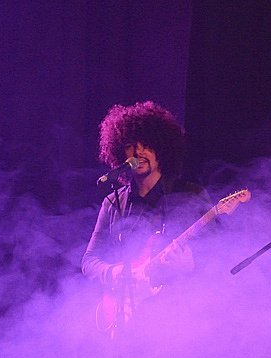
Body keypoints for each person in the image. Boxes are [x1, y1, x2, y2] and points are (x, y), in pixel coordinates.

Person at [82, 101, 211, 340]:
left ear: (162, 149)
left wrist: (191, 266)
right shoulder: (113, 203)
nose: (138, 152)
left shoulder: (190, 196)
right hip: (124, 323)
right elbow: (89, 261)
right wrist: (114, 273)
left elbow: (222, 257)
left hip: (177, 324)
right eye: (130, 146)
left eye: (147, 145)